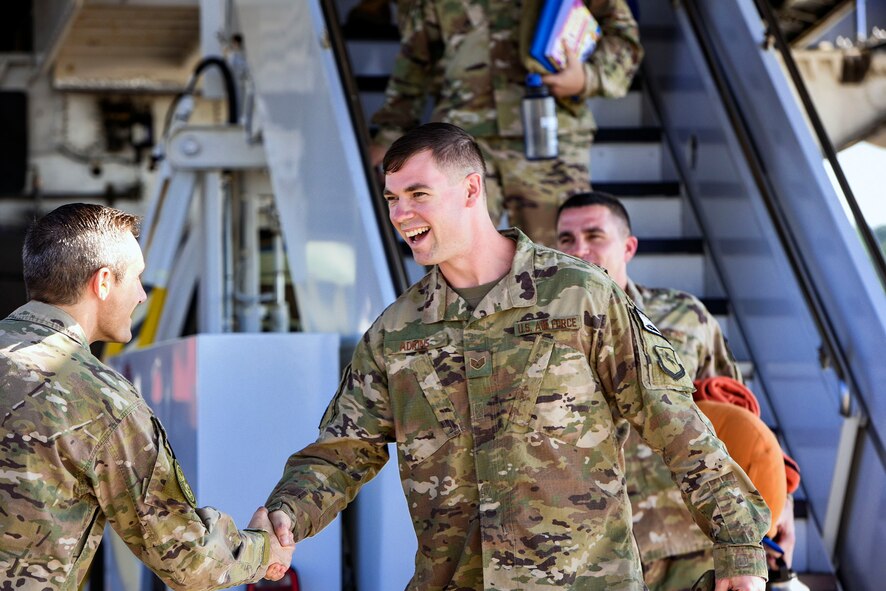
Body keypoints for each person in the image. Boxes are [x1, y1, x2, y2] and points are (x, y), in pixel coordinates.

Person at [265, 123, 769, 590]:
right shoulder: (395, 334)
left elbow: (676, 424)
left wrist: (740, 547)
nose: (400, 214)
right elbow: (341, 452)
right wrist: (286, 513)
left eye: (418, 194)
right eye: (393, 199)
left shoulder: (580, 296)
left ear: (470, 190)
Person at [0, 204, 293, 590]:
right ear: (103, 282)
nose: (140, 295)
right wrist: (264, 550)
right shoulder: (99, 399)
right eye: (136, 278)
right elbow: (187, 559)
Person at [556, 191, 796, 590]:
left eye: (595, 236)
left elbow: (734, 412)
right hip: (592, 548)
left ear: (628, 246)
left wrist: (778, 492)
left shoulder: (684, 316)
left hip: (688, 537)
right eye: (566, 240)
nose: (579, 250)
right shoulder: (536, 333)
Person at [368, 0, 643, 247]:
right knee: (451, 254)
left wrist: (587, 77)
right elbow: (415, 58)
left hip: (546, 137)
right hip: (460, 142)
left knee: (558, 267)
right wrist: (391, 131)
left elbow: (623, 36)